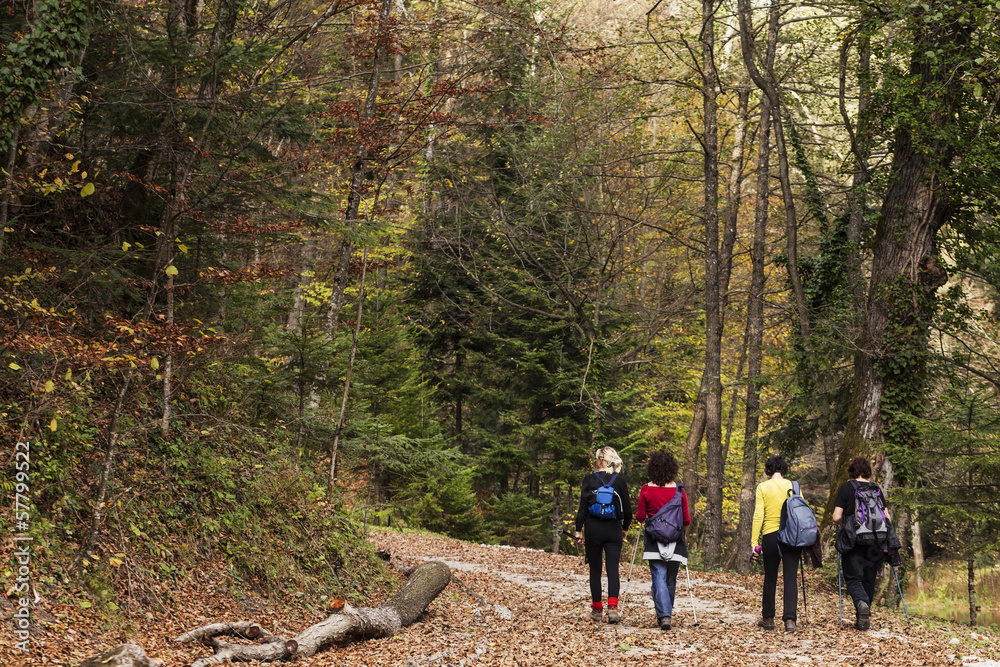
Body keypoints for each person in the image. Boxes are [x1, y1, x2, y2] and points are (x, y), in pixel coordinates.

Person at [574, 446, 632, 624]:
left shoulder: (589, 480)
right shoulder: (619, 481)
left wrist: (578, 530)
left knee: (596, 570)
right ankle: (613, 609)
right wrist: (625, 528)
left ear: (600, 460)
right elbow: (628, 510)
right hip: (613, 529)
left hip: (593, 529)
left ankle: (597, 609)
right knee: (612, 570)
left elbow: (583, 508)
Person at [832, 456, 890, 631]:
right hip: (876, 541)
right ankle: (862, 617)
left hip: (854, 540)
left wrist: (837, 524)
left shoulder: (846, 488)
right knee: (869, 579)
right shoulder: (876, 489)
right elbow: (887, 517)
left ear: (852, 471)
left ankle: (861, 603)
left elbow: (836, 517)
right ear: (867, 471)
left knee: (853, 577)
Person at [635, 450, 690, 631]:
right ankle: (666, 613)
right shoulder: (679, 490)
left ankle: (664, 615)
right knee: (671, 579)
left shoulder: (646, 489)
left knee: (658, 576)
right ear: (672, 469)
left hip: (653, 539)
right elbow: (686, 519)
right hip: (676, 539)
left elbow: (641, 517)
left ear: (652, 469)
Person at [751, 454, 802, 632]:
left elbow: (759, 515)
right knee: (790, 578)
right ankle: (790, 621)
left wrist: (754, 541)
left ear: (768, 470)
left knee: (770, 578)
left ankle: (768, 619)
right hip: (793, 536)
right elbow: (801, 511)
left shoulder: (763, 487)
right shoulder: (794, 486)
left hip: (771, 535)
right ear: (784, 469)